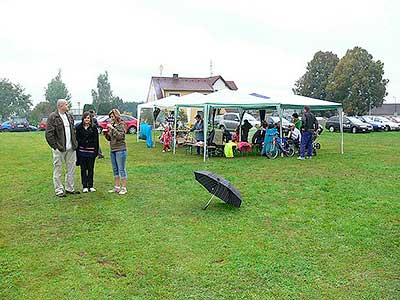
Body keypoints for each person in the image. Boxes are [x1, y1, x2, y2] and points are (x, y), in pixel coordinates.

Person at [45, 99, 80, 197]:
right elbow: (49, 134)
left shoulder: (69, 116)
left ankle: (70, 188)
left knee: (71, 169)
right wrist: (55, 146)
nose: (68, 106)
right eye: (66, 104)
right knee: (58, 169)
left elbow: (73, 131)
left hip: (71, 148)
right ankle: (59, 190)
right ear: (60, 106)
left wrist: (75, 143)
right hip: (59, 148)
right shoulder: (53, 117)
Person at [104, 109, 128, 195]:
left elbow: (120, 136)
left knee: (121, 169)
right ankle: (117, 187)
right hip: (113, 149)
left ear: (116, 116)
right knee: (115, 169)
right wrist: (106, 134)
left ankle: (124, 188)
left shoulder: (122, 124)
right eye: (110, 117)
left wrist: (112, 128)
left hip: (120, 149)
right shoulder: (113, 124)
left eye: (112, 116)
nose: (111, 118)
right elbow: (110, 138)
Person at [76, 112, 99, 193]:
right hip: (82, 152)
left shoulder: (94, 128)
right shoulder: (79, 128)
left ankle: (91, 185)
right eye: (85, 118)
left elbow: (96, 140)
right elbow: (77, 139)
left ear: (90, 119)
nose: (87, 119)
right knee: (83, 169)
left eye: (88, 118)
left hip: (91, 152)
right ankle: (84, 186)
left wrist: (96, 152)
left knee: (90, 169)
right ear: (83, 118)